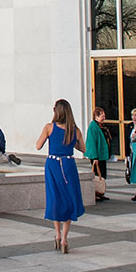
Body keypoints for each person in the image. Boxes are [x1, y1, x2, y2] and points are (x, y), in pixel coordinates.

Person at [36, 99, 86, 253]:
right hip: (68, 164)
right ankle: (65, 238)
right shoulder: (74, 130)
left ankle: (57, 234)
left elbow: (38, 145)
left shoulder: (49, 127)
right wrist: (71, 143)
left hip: (53, 165)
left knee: (55, 198)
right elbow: (83, 148)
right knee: (70, 199)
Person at [84, 107, 111, 202]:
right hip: (97, 155)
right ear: (96, 116)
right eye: (102, 116)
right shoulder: (93, 127)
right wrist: (95, 157)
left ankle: (101, 192)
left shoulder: (100, 126)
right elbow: (92, 143)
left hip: (101, 155)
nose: (104, 118)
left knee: (102, 174)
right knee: (97, 174)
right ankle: (97, 193)